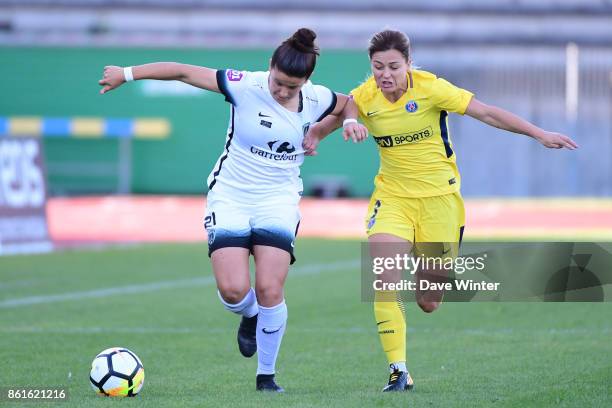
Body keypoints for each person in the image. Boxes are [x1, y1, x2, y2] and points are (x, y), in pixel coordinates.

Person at [303, 29, 578, 393]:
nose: (385, 75)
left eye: (393, 67)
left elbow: (488, 113)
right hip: (393, 200)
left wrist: (538, 133)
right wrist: (315, 136)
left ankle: (426, 278)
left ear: (409, 64)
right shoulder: (366, 97)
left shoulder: (432, 89)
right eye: (377, 67)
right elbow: (338, 116)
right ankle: (398, 370)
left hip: (440, 203)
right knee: (385, 281)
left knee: (429, 300)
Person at [98, 28, 363, 392]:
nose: (283, 92)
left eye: (293, 87)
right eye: (279, 82)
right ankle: (249, 315)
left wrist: (331, 127)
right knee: (234, 290)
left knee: (270, 287)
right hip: (231, 194)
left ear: (307, 81)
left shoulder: (316, 98)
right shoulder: (244, 85)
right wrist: (127, 74)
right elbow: (183, 71)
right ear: (269, 66)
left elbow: (350, 102)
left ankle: (266, 377)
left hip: (278, 198)